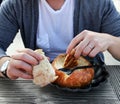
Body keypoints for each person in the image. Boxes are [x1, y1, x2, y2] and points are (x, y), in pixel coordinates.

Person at [0, 0, 120, 80]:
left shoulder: (99, 3)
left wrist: (110, 40)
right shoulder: (16, 4)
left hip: (91, 84)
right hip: (40, 85)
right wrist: (5, 65)